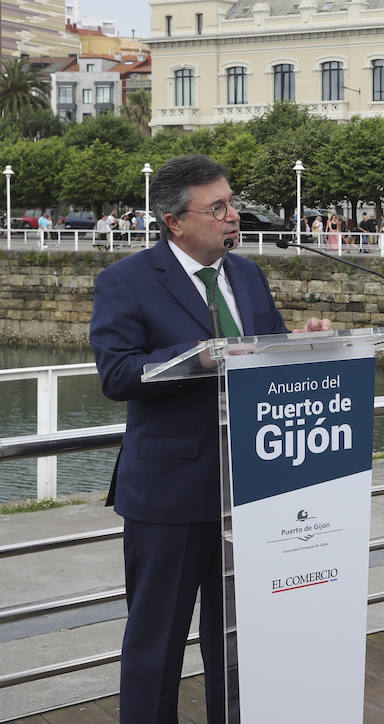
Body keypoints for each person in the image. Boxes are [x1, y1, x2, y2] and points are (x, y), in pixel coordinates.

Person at [89, 155, 331, 722]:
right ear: (175, 221)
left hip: (251, 485)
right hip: (169, 494)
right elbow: (116, 374)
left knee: (239, 640)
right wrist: (195, 359)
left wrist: (307, 341)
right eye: (216, 207)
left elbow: (266, 352)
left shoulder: (246, 274)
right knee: (157, 644)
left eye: (231, 202)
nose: (232, 215)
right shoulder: (124, 280)